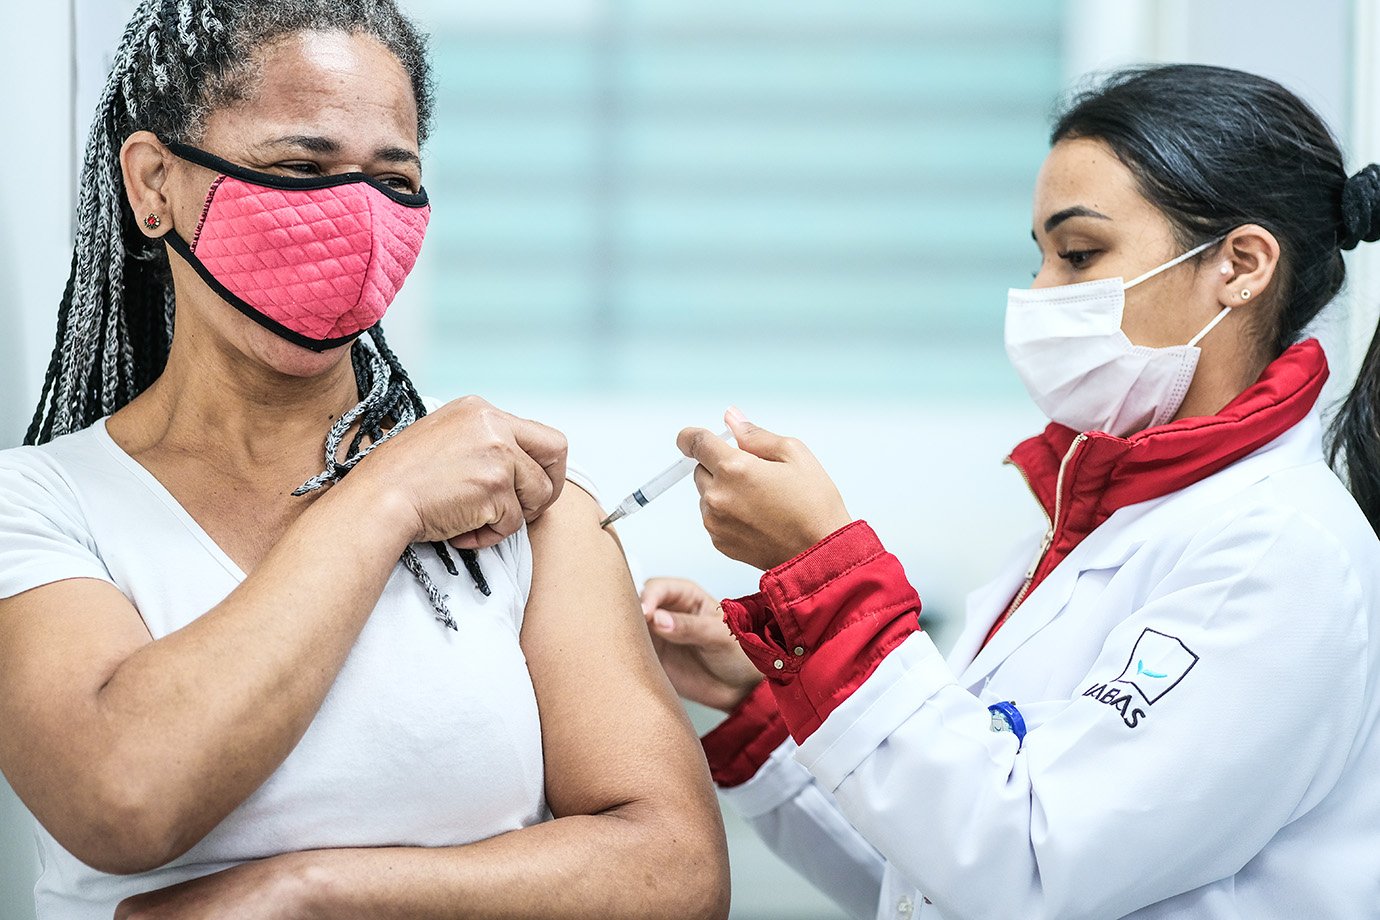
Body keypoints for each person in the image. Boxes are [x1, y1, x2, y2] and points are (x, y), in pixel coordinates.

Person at [0, 3, 728, 918]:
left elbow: (677, 873)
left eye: (394, 178)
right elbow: (124, 796)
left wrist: (310, 893)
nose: (355, 217)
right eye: (301, 166)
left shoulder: (519, 515)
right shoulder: (38, 507)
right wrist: (384, 496)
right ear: (153, 184)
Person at [642, 64, 1380, 920]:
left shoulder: (1281, 552)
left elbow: (1021, 864)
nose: (1038, 297)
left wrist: (826, 579)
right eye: (1041, 258)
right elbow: (930, 871)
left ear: (1241, 264)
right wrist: (762, 702)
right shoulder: (1098, 529)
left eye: (1078, 255)